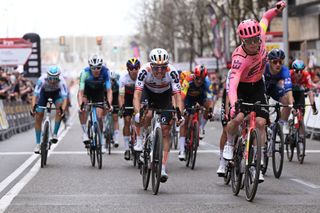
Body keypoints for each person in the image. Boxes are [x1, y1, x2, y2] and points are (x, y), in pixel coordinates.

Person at [224, 1, 287, 183]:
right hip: (241, 87)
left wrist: (276, 10)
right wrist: (234, 104)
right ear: (242, 41)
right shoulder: (239, 58)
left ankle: (257, 164)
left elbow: (266, 17)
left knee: (260, 123)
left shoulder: (261, 35)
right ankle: (229, 143)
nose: (253, 44)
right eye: (249, 41)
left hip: (258, 84)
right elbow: (233, 83)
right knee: (236, 119)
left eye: (256, 39)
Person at [133, 48, 184, 182]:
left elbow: (177, 95)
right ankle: (144, 138)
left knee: (166, 130)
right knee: (148, 115)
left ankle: (162, 167)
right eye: (156, 68)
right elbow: (137, 94)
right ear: (151, 65)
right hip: (148, 94)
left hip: (165, 96)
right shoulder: (144, 71)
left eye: (163, 67)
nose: (160, 71)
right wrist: (138, 113)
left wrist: (179, 114)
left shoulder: (172, 72)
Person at [77, 54, 112, 154]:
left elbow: (109, 90)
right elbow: (80, 92)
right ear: (89, 67)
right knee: (82, 109)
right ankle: (84, 133)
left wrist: (109, 103)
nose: (96, 70)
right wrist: (80, 105)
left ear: (101, 67)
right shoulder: (85, 73)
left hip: (99, 92)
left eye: (98, 68)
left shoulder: (105, 72)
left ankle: (101, 142)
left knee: (99, 117)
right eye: (93, 68)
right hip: (87, 92)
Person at [178, 65, 213, 160]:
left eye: (202, 79)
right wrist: (181, 111)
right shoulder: (188, 80)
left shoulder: (207, 82)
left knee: (208, 107)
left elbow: (210, 97)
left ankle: (201, 128)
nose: (199, 81)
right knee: (184, 121)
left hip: (200, 97)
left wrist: (210, 111)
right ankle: (181, 149)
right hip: (188, 98)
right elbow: (182, 97)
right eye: (197, 79)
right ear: (194, 76)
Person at [31, 66, 68, 153]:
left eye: (55, 78)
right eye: (50, 77)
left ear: (58, 76)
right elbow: (35, 95)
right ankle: (37, 143)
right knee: (39, 114)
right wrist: (33, 107)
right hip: (44, 94)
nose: (52, 80)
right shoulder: (42, 79)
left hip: (56, 94)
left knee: (59, 108)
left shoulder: (62, 81)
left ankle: (55, 134)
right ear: (47, 75)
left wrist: (62, 110)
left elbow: (65, 98)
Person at [290, 59, 318, 144]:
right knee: (292, 109)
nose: (299, 73)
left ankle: (301, 137)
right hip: (290, 93)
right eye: (297, 71)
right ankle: (289, 126)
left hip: (300, 93)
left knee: (301, 115)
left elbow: (310, 92)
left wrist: (313, 107)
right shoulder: (289, 74)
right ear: (293, 70)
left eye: (301, 71)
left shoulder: (306, 75)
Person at [264, 48, 293, 127]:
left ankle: (281, 125)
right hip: (261, 89)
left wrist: (291, 104)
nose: (278, 64)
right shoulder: (263, 68)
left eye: (280, 62)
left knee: (287, 101)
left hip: (273, 89)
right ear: (269, 62)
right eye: (275, 62)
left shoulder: (284, 70)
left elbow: (288, 87)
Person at [119, 57, 141, 160]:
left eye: (136, 68)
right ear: (128, 70)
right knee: (127, 121)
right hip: (127, 99)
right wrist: (122, 107)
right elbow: (121, 95)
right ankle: (127, 149)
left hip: (139, 99)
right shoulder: (124, 79)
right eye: (131, 68)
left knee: (141, 120)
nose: (134, 70)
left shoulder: (141, 77)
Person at [110, 71, 121, 148]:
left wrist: (120, 107)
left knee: (115, 118)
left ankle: (116, 138)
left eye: (112, 80)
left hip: (115, 99)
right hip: (106, 97)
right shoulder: (105, 84)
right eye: (110, 80)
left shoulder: (118, 85)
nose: (111, 82)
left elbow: (120, 97)